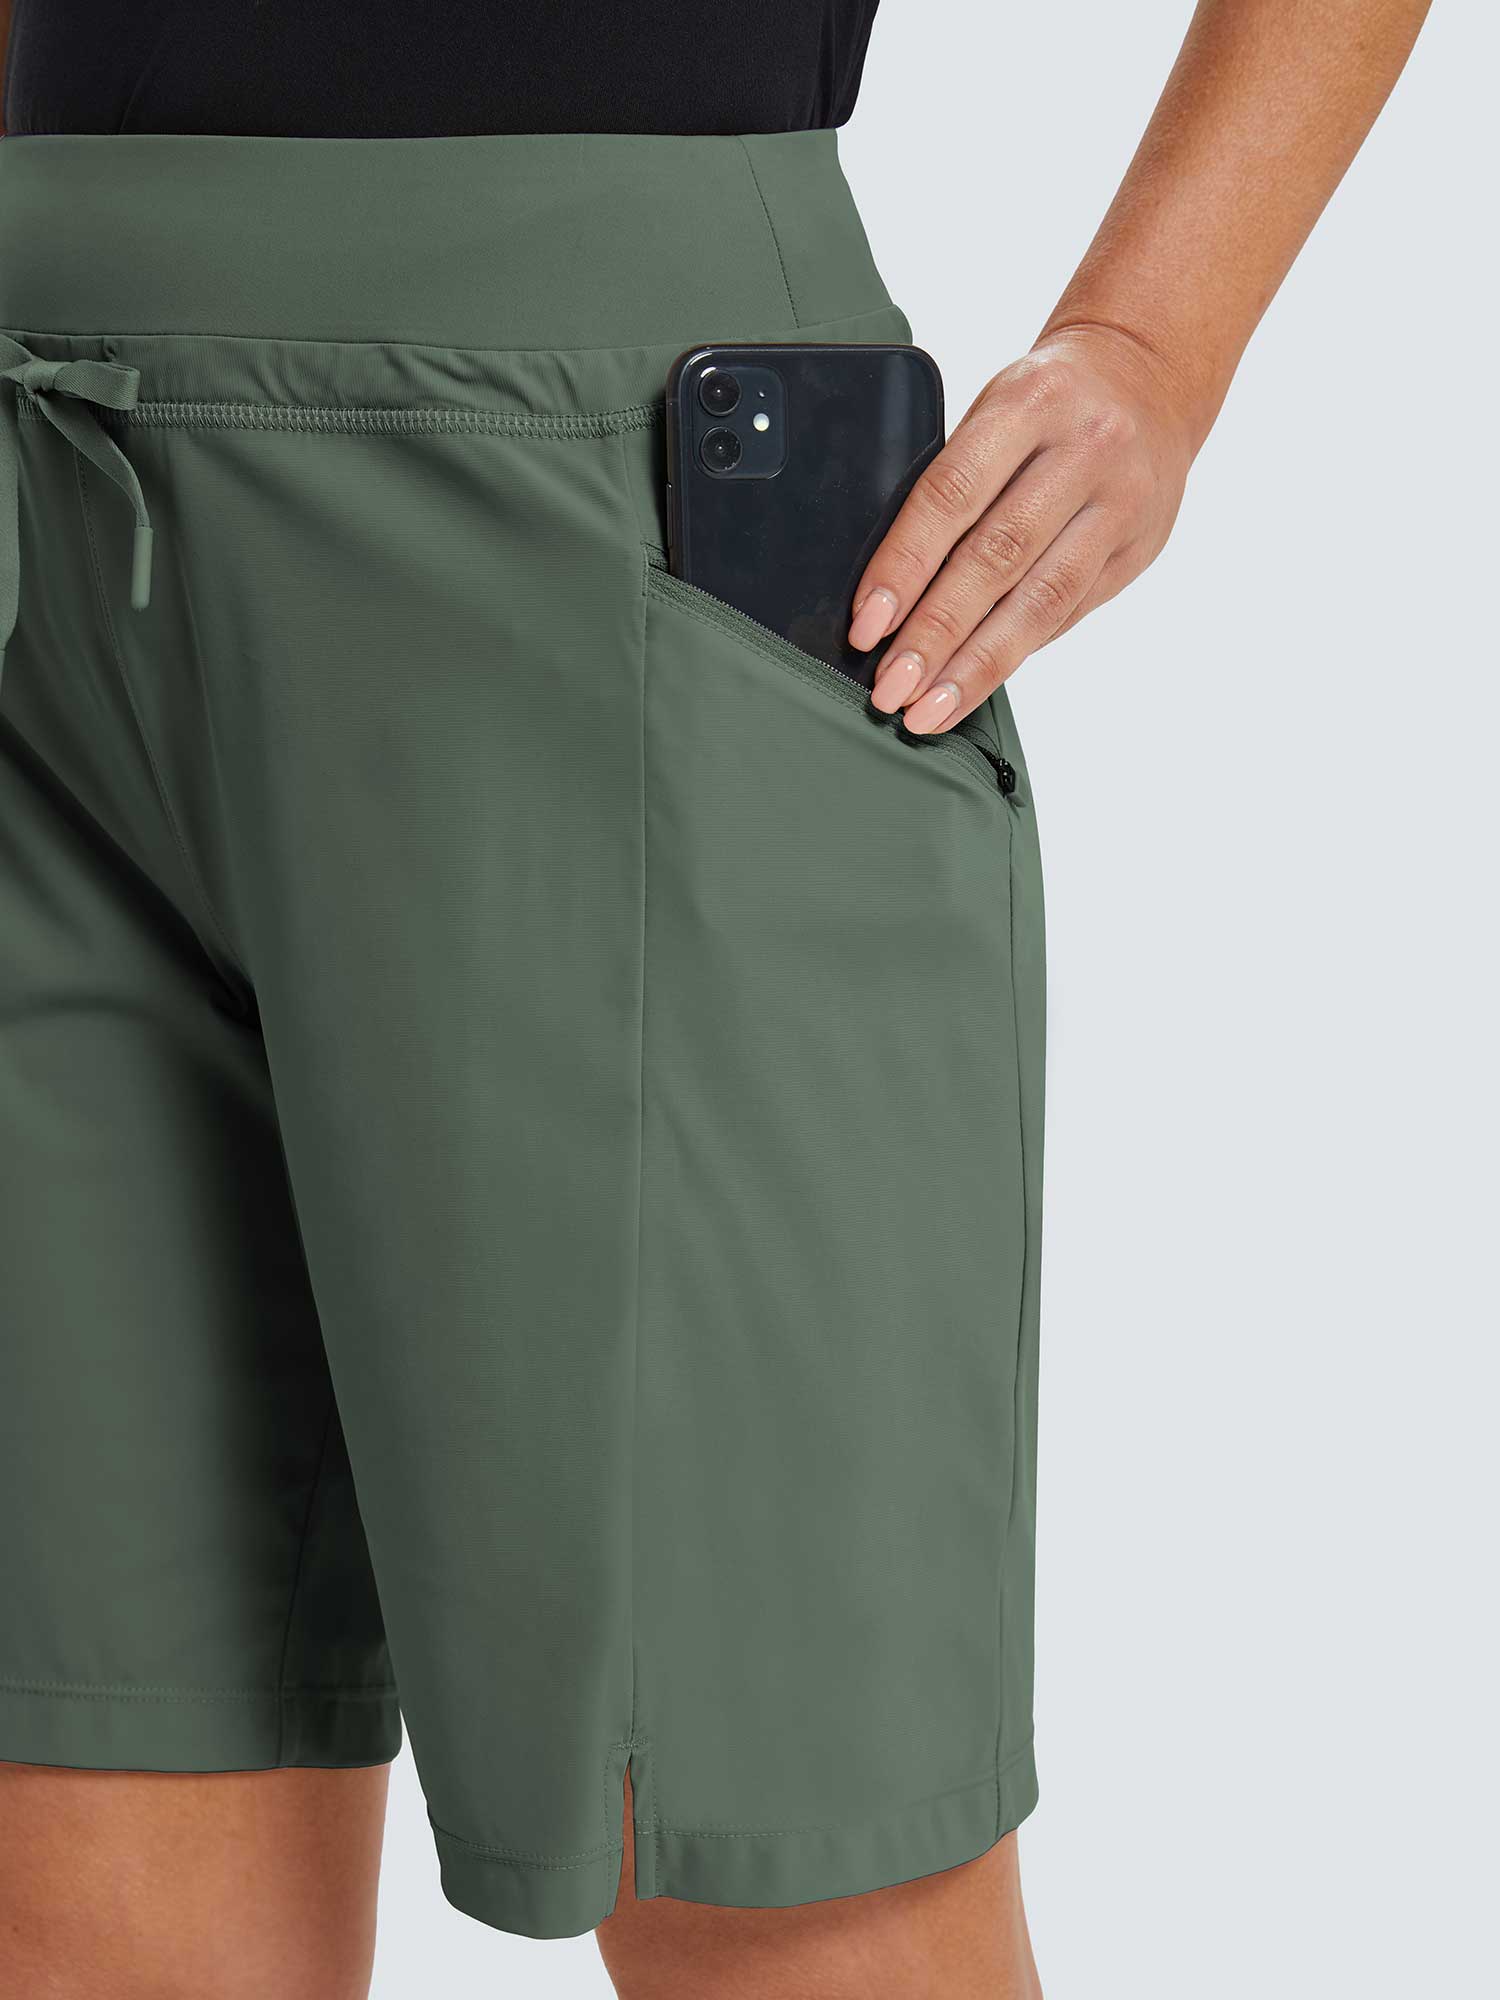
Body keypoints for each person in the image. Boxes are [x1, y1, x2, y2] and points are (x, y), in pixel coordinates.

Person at [0, 3, 1429, 1996]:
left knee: (779, 1883)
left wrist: (1153, 342)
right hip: (43, 484)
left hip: (609, 489)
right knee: (88, 1848)